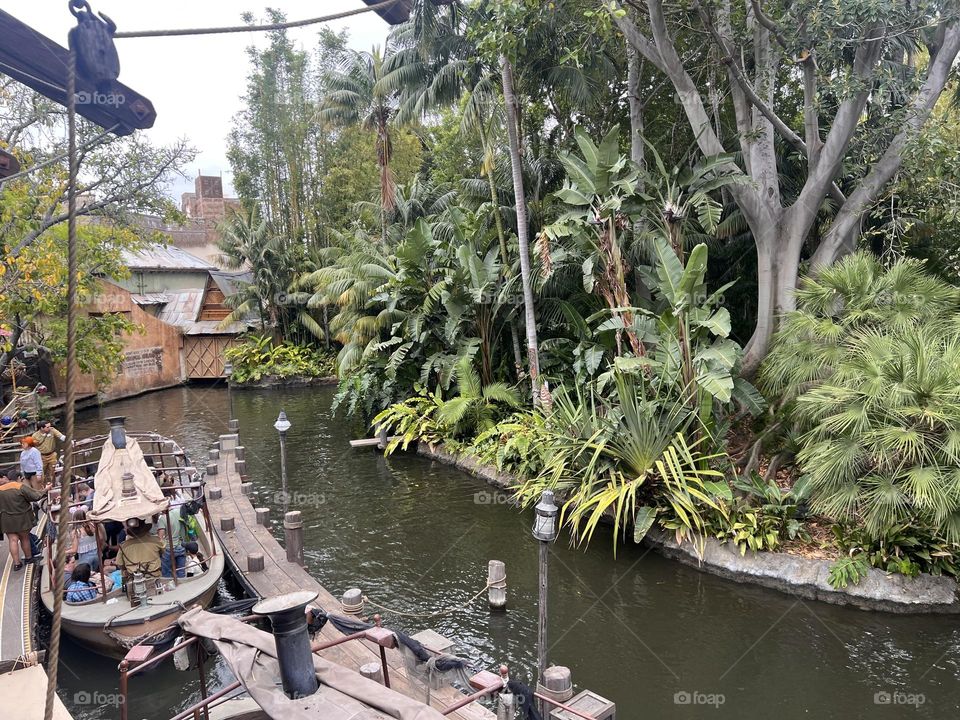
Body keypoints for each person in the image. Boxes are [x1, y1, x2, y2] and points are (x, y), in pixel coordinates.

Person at [0, 469, 50, 570]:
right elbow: (35, 496)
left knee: (12, 540)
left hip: (6, 520)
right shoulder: (19, 486)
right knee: (24, 538)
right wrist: (45, 489)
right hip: (22, 518)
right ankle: (28, 558)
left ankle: (16, 563)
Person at [157, 490, 186, 578]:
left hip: (169, 549)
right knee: (181, 572)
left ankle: (170, 586)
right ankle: (183, 585)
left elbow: (160, 538)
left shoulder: (162, 518)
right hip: (181, 546)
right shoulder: (178, 511)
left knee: (166, 573)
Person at [32, 421, 66, 487]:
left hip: (52, 454)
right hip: (41, 456)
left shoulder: (52, 431)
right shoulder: (35, 435)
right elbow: (33, 446)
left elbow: (61, 436)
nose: (49, 428)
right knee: (41, 473)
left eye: (50, 426)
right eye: (47, 427)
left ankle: (53, 486)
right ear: (42, 428)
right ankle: (42, 487)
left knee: (53, 472)